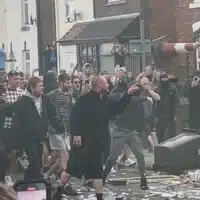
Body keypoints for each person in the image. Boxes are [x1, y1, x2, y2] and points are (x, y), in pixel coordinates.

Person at [56, 76, 137, 200]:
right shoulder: (84, 100)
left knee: (97, 172)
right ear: (99, 84)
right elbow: (75, 118)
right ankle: (59, 191)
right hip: (83, 142)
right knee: (71, 169)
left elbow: (118, 108)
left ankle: (99, 197)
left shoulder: (106, 100)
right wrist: (76, 134)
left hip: (98, 143)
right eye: (105, 83)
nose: (108, 85)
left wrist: (128, 94)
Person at [11, 76, 65, 180]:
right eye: (40, 86)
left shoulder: (44, 98)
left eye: (42, 85)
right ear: (32, 88)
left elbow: (52, 114)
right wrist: (16, 142)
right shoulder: (23, 101)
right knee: (35, 162)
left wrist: (60, 127)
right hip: (27, 138)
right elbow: (16, 122)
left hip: (40, 137)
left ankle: (32, 181)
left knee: (38, 163)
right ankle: (29, 181)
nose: (43, 88)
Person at [103, 82, 149, 190]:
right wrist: (146, 98)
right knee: (113, 157)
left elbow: (141, 118)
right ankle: (103, 177)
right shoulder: (125, 98)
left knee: (140, 155)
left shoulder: (139, 103)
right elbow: (131, 101)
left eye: (137, 90)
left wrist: (143, 131)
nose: (135, 91)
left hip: (131, 132)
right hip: (119, 131)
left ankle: (143, 180)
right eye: (134, 89)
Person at [45, 74, 72, 180]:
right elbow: (47, 111)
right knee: (64, 154)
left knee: (63, 155)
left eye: (70, 82)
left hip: (65, 129)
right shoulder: (52, 95)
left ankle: (47, 174)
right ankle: (64, 180)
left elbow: (70, 110)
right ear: (60, 82)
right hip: (54, 128)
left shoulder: (69, 95)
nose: (69, 85)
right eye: (67, 82)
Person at [155, 72, 179, 143]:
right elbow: (155, 103)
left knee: (172, 133)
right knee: (160, 134)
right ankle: (161, 148)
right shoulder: (157, 89)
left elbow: (175, 102)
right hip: (160, 115)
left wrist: (175, 114)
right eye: (162, 79)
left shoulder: (172, 88)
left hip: (170, 114)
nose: (164, 80)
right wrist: (156, 115)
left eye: (165, 79)